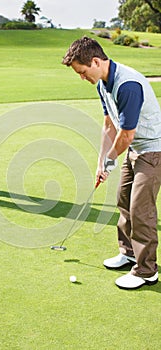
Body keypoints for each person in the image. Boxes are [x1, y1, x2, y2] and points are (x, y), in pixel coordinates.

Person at [62, 36, 161, 290]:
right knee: (123, 199)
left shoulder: (127, 85)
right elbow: (109, 125)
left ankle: (147, 270)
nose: (82, 78)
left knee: (141, 208)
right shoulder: (102, 84)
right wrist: (100, 162)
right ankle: (128, 252)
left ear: (96, 61)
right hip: (135, 149)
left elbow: (126, 134)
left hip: (153, 149)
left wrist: (110, 159)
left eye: (83, 72)